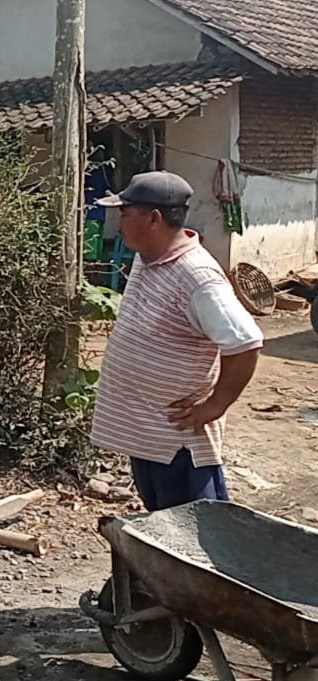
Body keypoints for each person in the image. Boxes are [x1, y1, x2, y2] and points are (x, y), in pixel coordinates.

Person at [91, 170, 263, 511]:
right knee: (164, 523)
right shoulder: (148, 257)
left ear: (153, 219)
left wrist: (216, 404)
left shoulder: (198, 277)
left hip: (178, 443)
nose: (119, 223)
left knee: (194, 528)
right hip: (148, 435)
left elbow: (245, 343)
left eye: (125, 213)